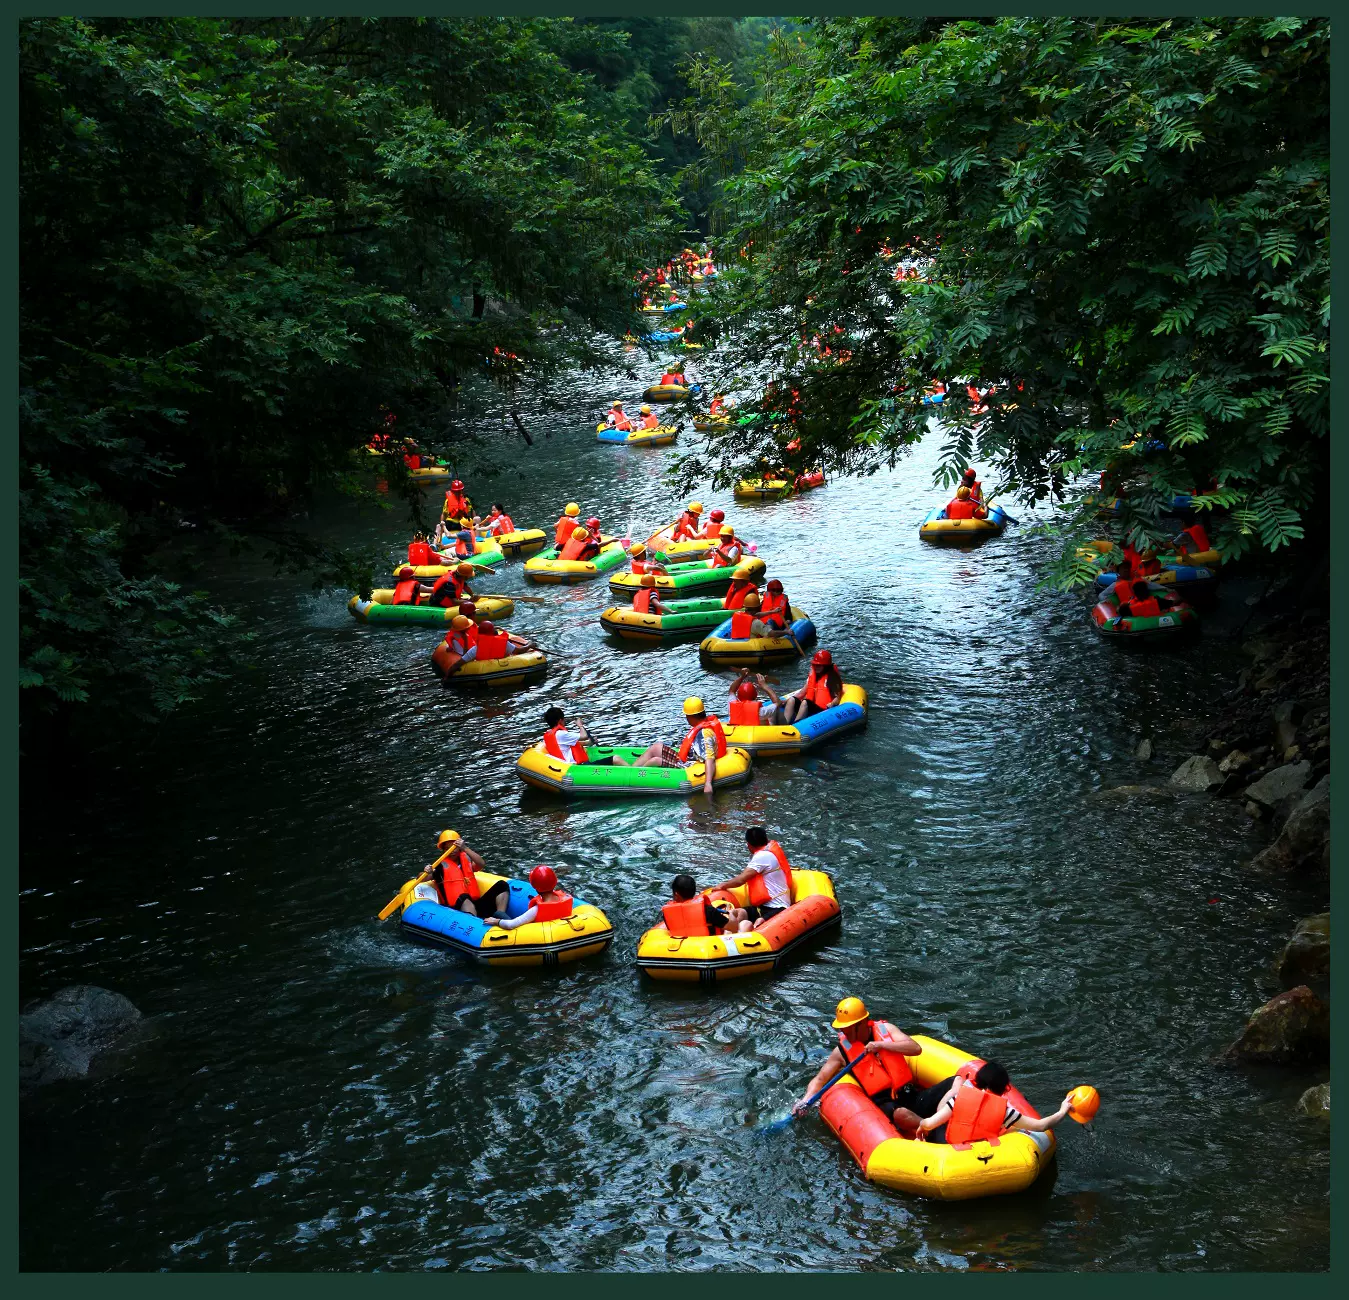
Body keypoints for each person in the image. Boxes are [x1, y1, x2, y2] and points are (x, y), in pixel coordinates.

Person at [792, 997, 956, 1126]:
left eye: (847, 1028)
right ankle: (928, 1126)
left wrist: (881, 1045)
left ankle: (937, 1120)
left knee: (957, 1081)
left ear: (862, 1023)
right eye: (842, 1028)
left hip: (909, 1094)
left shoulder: (886, 1030)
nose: (843, 1032)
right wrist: (806, 1100)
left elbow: (915, 1048)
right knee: (901, 1114)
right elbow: (820, 1079)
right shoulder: (841, 1052)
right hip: (886, 1105)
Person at [913, 1061, 1075, 1144]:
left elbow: (929, 1123)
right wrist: (1062, 1110)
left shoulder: (959, 1099)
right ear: (1004, 1088)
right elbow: (1041, 1126)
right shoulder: (1006, 1112)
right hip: (980, 1154)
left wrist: (922, 1127)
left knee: (939, 1122)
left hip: (949, 1146)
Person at [711, 828, 795, 928]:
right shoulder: (768, 852)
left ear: (749, 844)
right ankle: (728, 934)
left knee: (759, 922)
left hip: (778, 907)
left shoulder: (762, 856)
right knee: (739, 913)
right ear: (766, 839)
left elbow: (741, 880)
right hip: (762, 907)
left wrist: (722, 885)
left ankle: (742, 938)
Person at [417, 830, 509, 921]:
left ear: (459, 846)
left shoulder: (466, 859)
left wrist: (465, 848)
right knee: (464, 897)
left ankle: (499, 915)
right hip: (456, 909)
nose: (451, 851)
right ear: (443, 850)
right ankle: (475, 924)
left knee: (502, 885)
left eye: (454, 847)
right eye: (447, 849)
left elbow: (481, 864)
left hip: (475, 904)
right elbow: (422, 878)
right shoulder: (440, 866)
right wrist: (427, 871)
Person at [495, 865, 574, 930]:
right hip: (561, 932)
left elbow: (511, 925)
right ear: (554, 882)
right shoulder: (566, 898)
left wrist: (496, 921)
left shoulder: (536, 910)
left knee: (498, 913)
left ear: (535, 887)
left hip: (539, 937)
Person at [660, 874, 737, 938]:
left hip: (681, 948)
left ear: (676, 894)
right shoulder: (707, 910)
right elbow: (734, 927)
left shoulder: (667, 914)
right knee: (746, 923)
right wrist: (731, 914)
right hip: (709, 947)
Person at [781, 649, 843, 723]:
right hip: (810, 707)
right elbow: (801, 693)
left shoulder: (832, 678)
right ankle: (785, 725)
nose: (816, 667)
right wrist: (785, 701)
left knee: (805, 702)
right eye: (815, 665)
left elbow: (837, 697)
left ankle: (796, 725)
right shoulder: (813, 677)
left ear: (826, 666)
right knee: (792, 700)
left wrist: (832, 704)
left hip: (822, 710)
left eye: (819, 665)